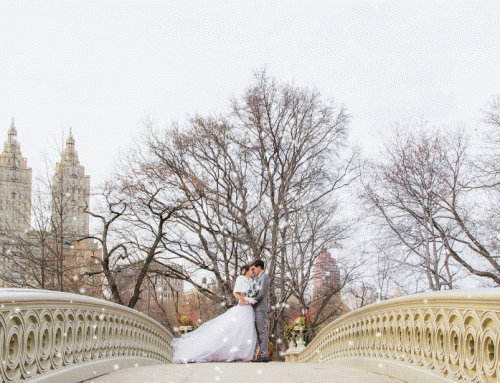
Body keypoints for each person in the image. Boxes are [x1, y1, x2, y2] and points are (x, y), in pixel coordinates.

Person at [171, 265, 257, 363]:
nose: (253, 271)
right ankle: (233, 353)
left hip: (248, 308)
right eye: (252, 270)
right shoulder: (241, 279)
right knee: (233, 330)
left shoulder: (250, 281)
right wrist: (246, 299)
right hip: (242, 308)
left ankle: (244, 354)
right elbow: (237, 294)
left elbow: (250, 292)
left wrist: (252, 296)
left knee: (246, 331)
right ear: (246, 271)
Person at [249, 259, 270, 363]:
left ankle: (264, 355)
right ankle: (261, 354)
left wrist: (252, 300)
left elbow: (261, 293)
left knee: (262, 331)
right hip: (255, 308)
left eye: (254, 268)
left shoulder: (264, 277)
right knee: (258, 332)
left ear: (259, 267)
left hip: (260, 308)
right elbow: (254, 291)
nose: (253, 271)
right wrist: (247, 295)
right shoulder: (257, 278)